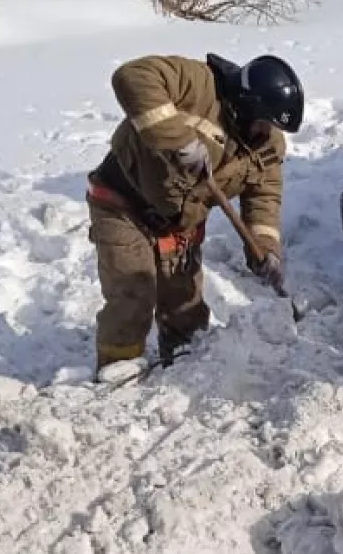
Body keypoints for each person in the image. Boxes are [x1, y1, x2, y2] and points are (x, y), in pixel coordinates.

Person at [85, 53, 302, 378]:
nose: (267, 131)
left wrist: (265, 248)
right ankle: (119, 367)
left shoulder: (267, 146)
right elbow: (132, 76)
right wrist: (180, 141)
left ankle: (187, 362)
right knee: (133, 293)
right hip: (122, 204)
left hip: (180, 221)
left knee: (184, 304)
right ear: (246, 105)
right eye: (264, 122)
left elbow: (264, 197)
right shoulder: (200, 85)